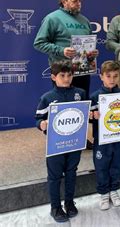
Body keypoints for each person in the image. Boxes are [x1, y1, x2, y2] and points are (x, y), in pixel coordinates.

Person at [34, 60, 87, 223]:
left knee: (71, 172)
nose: (66, 79)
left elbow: (86, 113)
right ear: (53, 77)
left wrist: (92, 116)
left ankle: (69, 203)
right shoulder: (47, 98)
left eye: (69, 75)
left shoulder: (80, 93)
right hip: (55, 145)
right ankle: (55, 207)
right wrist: (41, 124)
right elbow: (38, 118)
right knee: (54, 176)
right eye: (62, 75)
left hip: (74, 143)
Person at [34, 0, 98, 97]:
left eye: (80, 0)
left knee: (82, 104)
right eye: (75, 1)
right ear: (64, 2)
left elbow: (89, 46)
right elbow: (39, 43)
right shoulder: (52, 18)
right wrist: (62, 51)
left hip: (83, 72)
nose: (79, 3)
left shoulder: (85, 21)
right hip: (63, 73)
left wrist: (92, 55)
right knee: (63, 107)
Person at [89, 61, 120, 210]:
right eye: (108, 76)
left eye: (115, 76)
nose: (112, 79)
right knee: (102, 166)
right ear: (101, 77)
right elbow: (89, 117)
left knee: (117, 165)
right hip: (102, 140)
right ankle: (104, 193)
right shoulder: (95, 96)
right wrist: (93, 115)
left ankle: (114, 190)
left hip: (119, 138)